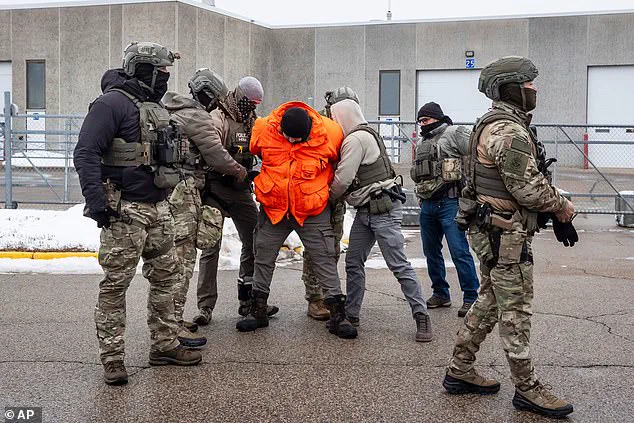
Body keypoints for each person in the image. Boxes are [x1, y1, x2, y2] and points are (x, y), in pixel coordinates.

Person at [444, 56, 577, 419]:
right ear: (512, 89)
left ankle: (460, 369)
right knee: (515, 310)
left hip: (493, 231)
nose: (534, 89)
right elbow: (527, 189)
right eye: (528, 84)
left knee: (489, 301)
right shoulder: (509, 132)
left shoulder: (492, 124)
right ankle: (527, 388)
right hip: (504, 236)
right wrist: (562, 208)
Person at [74, 41, 201, 386]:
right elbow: (86, 153)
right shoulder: (110, 104)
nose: (165, 78)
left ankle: (164, 345)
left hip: (158, 208)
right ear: (142, 69)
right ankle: (113, 358)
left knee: (167, 278)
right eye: (160, 72)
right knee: (116, 285)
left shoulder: (154, 106)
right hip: (124, 211)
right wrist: (97, 203)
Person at [237, 102, 357, 339]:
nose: (292, 142)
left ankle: (337, 314)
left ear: (309, 131)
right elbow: (251, 151)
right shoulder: (263, 129)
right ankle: (257, 310)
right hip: (274, 209)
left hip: (312, 209)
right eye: (288, 137)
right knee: (263, 256)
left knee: (324, 258)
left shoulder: (330, 133)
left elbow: (341, 162)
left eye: (297, 139)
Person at [329, 99, 432, 343]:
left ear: (342, 116)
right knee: (353, 262)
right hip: (367, 209)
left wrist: (329, 198)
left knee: (398, 265)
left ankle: (422, 316)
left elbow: (343, 178)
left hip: (381, 209)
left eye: (334, 117)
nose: (332, 122)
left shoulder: (355, 139)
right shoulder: (367, 133)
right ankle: (351, 315)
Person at [191, 75, 279, 326]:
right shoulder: (217, 118)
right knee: (211, 247)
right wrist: (239, 170)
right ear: (239, 96)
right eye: (249, 102)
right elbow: (214, 152)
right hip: (216, 189)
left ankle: (248, 300)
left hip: (240, 190)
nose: (252, 107)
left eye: (256, 104)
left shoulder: (253, 122)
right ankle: (205, 306)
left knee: (255, 240)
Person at [163, 68, 233, 347]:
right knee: (183, 261)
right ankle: (173, 327)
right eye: (215, 98)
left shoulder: (172, 109)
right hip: (185, 195)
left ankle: (172, 321)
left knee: (172, 262)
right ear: (207, 95)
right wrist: (240, 171)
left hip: (169, 193)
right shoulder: (197, 116)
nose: (216, 104)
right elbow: (217, 155)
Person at [411, 102, 479, 317]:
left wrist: (471, 191)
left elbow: (478, 154)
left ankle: (471, 298)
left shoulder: (454, 132)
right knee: (431, 252)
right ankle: (440, 293)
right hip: (428, 204)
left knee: (459, 251)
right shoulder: (422, 142)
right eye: (420, 121)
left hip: (451, 203)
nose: (423, 124)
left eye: (426, 120)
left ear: (437, 118)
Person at [301, 86, 360, 321]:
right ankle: (315, 298)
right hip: (316, 196)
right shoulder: (315, 127)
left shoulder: (347, 128)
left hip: (335, 197)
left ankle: (329, 294)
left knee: (332, 247)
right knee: (316, 248)